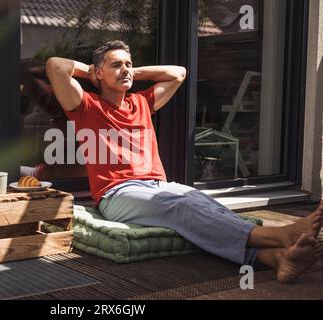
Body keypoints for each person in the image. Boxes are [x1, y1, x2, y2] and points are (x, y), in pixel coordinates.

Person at [45, 40, 322, 284]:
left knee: (197, 200)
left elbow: (179, 73)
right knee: (179, 205)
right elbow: (56, 66)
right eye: (117, 64)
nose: (126, 69)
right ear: (98, 72)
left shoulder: (141, 103)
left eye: (129, 64)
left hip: (155, 185)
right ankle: (280, 236)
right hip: (117, 193)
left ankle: (277, 259)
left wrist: (128, 72)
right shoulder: (86, 107)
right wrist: (93, 72)